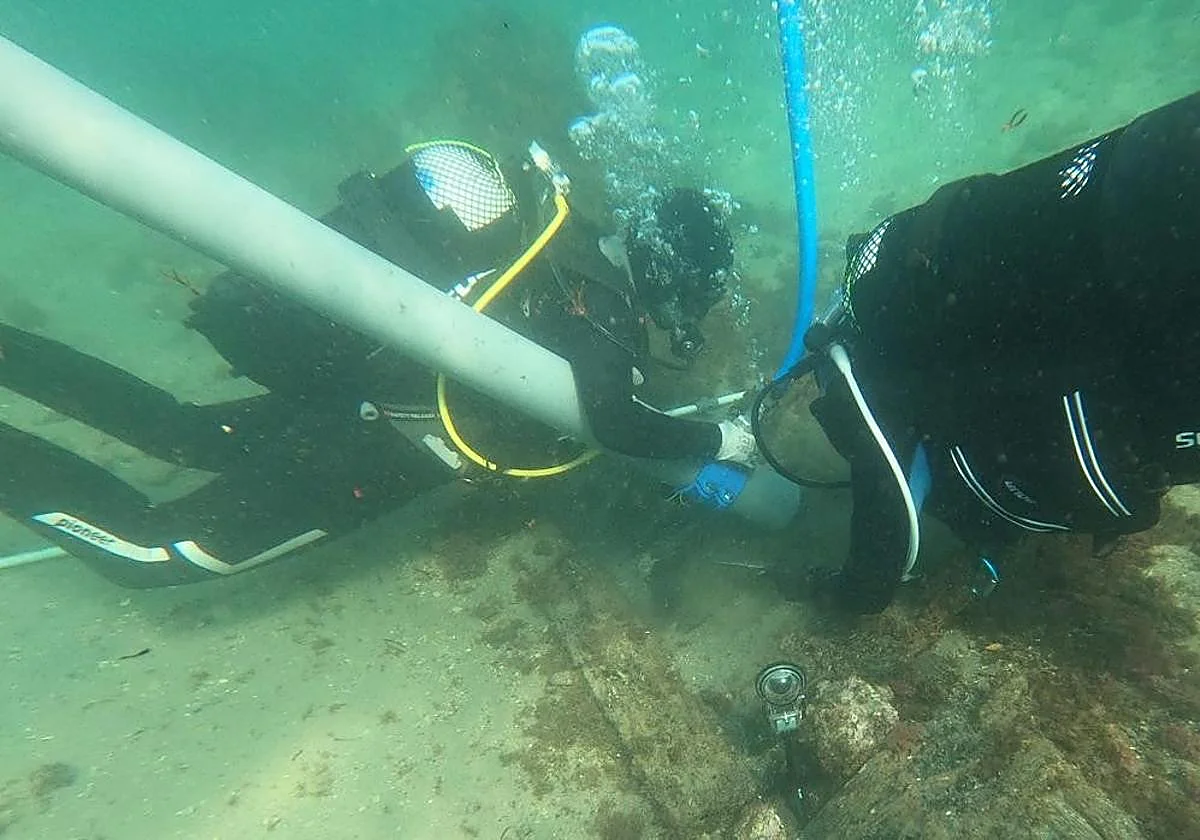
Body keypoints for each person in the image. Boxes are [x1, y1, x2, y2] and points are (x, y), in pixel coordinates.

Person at [0, 139, 754, 588]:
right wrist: (720, 440)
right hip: (384, 440)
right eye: (700, 296)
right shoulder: (607, 311)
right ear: (677, 278)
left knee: (184, 433)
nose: (693, 317)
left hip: (363, 381)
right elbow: (613, 421)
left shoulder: (569, 244)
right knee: (153, 552)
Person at [787, 90, 1199, 614]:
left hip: (1145, 212)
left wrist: (851, 592)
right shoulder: (946, 277)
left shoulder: (881, 331)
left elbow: (881, 481)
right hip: (1144, 175)